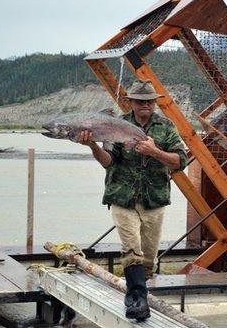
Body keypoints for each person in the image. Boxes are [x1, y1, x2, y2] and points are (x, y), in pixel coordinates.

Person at [77, 79, 187, 321]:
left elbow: (181, 161)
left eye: (149, 101)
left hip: (154, 200)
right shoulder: (116, 125)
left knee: (148, 259)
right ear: (131, 102)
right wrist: (93, 145)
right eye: (140, 101)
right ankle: (136, 301)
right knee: (131, 249)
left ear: (154, 103)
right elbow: (109, 162)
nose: (145, 105)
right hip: (122, 198)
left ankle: (139, 293)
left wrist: (155, 152)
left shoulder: (166, 127)